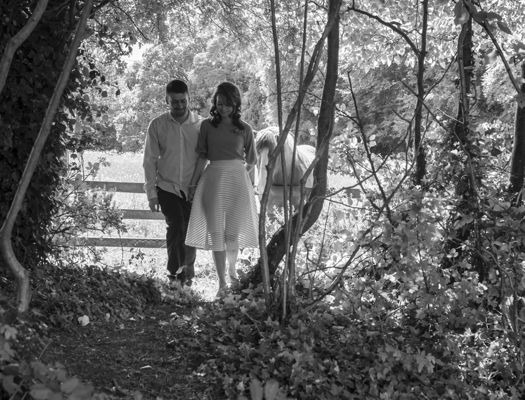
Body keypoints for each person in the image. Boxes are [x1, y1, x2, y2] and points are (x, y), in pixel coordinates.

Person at [185, 82, 259, 298]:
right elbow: (202, 157)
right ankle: (221, 283)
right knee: (216, 233)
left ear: (235, 104)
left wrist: (238, 172)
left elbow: (252, 160)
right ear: (214, 103)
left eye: (227, 104)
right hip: (213, 180)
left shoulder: (244, 128)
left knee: (232, 233)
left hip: (238, 182)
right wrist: (193, 184)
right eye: (219, 104)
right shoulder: (207, 126)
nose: (223, 108)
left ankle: (232, 272)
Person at [143, 79, 203, 287]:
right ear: (166, 101)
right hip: (167, 186)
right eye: (174, 102)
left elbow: (206, 157)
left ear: (189, 98)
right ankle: (175, 276)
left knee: (191, 231)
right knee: (177, 225)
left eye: (183, 101)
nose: (179, 106)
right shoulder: (157, 125)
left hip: (193, 187)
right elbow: (149, 160)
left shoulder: (201, 125)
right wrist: (151, 193)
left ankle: (187, 276)